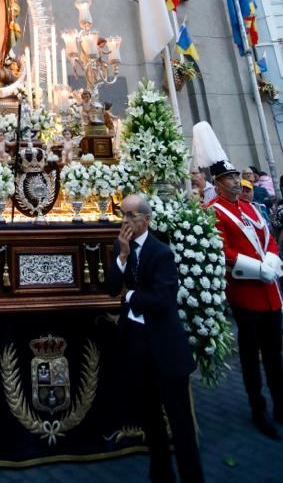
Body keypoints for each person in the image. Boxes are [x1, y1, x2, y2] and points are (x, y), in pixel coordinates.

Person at [106, 192, 204, 482]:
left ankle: (192, 476)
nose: (125, 221)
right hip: (137, 342)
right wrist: (122, 256)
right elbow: (112, 289)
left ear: (146, 219)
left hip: (164, 345)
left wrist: (132, 295)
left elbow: (162, 299)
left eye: (131, 216)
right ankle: (161, 472)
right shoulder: (120, 246)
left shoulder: (161, 251)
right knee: (149, 415)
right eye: (122, 215)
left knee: (179, 419)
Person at [209, 157, 283, 438]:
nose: (236, 182)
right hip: (245, 292)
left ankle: (280, 403)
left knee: (275, 352)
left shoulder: (251, 208)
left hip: (269, 292)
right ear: (217, 184)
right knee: (251, 355)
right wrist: (256, 269)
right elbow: (222, 249)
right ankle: (258, 408)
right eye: (229, 177)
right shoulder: (213, 211)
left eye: (236, 175)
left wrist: (272, 263)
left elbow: (269, 238)